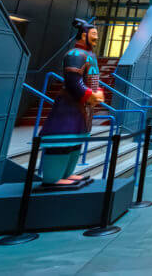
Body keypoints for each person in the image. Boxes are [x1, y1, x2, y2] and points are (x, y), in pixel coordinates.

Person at [38, 19, 104, 186]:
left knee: (75, 141)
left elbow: (90, 78)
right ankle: (53, 177)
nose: (96, 37)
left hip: (83, 108)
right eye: (93, 34)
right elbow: (74, 82)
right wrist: (91, 94)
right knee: (63, 141)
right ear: (84, 35)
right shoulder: (75, 55)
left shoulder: (90, 56)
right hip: (69, 107)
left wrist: (97, 93)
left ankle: (68, 173)